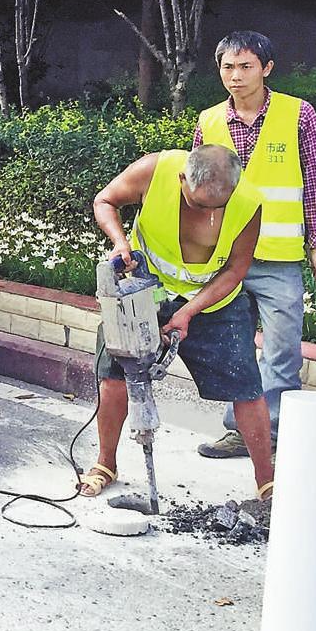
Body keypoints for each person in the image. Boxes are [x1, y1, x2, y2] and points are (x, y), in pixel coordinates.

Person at [85, 144, 276, 504]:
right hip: (147, 289)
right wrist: (119, 242)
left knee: (247, 386)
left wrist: (188, 312)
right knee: (113, 375)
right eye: (198, 203)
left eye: (215, 207)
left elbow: (236, 269)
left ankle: (267, 481)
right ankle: (105, 464)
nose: (206, 214)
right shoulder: (154, 171)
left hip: (212, 299)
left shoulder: (249, 201)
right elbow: (105, 201)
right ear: (182, 179)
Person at [192, 31, 316, 460]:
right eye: (227, 67)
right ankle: (240, 431)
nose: (235, 76)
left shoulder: (298, 114)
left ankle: (274, 432)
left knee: (281, 348)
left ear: (266, 68)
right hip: (226, 255)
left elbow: (315, 181)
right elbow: (197, 189)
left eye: (245, 66)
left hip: (279, 259)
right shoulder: (209, 119)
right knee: (234, 345)